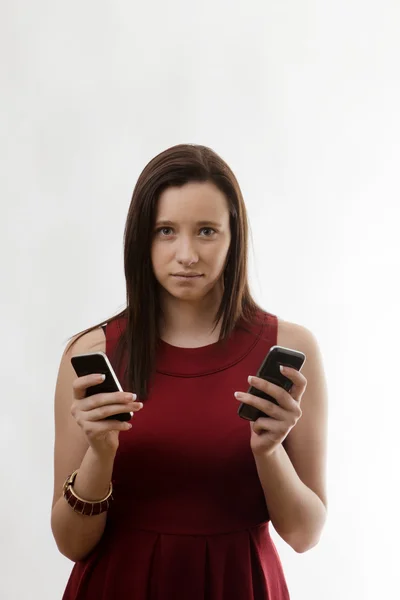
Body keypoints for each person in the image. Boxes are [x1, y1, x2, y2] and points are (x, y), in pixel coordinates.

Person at [51, 143, 328, 599]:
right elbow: (69, 541)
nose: (186, 254)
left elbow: (303, 535)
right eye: (165, 231)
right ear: (141, 237)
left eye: (206, 231)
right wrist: (100, 454)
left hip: (239, 584)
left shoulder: (289, 348)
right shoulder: (93, 354)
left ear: (233, 236)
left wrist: (269, 450)